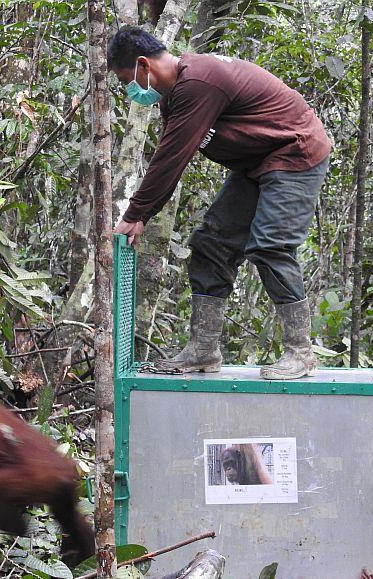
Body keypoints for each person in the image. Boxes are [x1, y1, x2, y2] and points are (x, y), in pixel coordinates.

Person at [109, 26, 332, 380]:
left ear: (142, 64)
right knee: (211, 244)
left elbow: (170, 160)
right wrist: (143, 213)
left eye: (127, 79)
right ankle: (203, 349)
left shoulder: (199, 82)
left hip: (295, 153)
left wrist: (136, 214)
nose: (129, 90)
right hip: (257, 164)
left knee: (270, 245)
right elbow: (173, 158)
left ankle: (300, 352)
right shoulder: (175, 96)